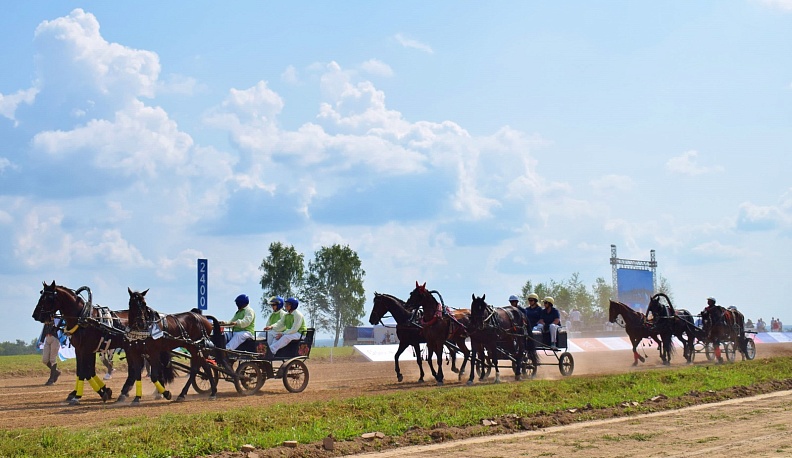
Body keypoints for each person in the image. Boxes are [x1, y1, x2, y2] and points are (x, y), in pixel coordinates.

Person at [39, 318, 62, 386]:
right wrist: (42, 340)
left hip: (55, 339)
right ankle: (56, 372)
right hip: (47, 338)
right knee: (45, 360)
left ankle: (51, 379)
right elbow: (44, 329)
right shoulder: (47, 320)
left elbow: (61, 327)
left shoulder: (58, 320)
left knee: (52, 360)